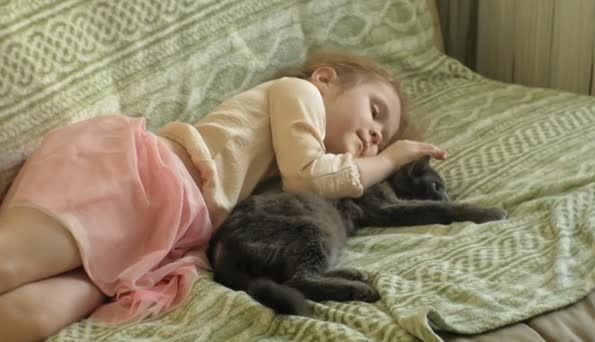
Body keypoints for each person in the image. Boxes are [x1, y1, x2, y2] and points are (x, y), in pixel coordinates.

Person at [0, 51, 446, 341]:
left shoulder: (294, 164)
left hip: (170, 236)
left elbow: (321, 183)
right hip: (145, 180)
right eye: (375, 111)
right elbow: (311, 176)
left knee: (36, 318)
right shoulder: (300, 93)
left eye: (381, 139)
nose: (373, 136)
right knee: (10, 261)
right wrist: (390, 159)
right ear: (326, 78)